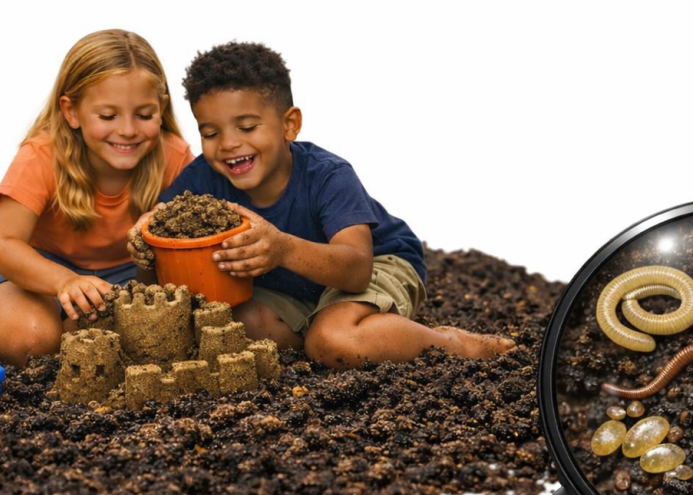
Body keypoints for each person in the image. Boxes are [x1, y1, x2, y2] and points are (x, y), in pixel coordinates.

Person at [129, 41, 514, 369]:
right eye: (210, 132)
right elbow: (161, 250)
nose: (228, 143)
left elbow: (356, 269)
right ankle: (334, 328)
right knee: (231, 328)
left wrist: (281, 248)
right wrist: (147, 244)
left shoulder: (327, 175)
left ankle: (453, 344)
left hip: (377, 262)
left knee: (332, 343)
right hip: (288, 286)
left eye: (247, 127)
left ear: (289, 125)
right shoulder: (202, 181)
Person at [0, 30, 196, 367]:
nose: (128, 130)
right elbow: (2, 245)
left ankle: (64, 323)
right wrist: (64, 281)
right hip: (26, 269)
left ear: (161, 108)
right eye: (108, 116)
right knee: (33, 340)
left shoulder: (173, 156)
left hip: (118, 276)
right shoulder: (42, 156)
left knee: (114, 338)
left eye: (144, 115)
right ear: (71, 112)